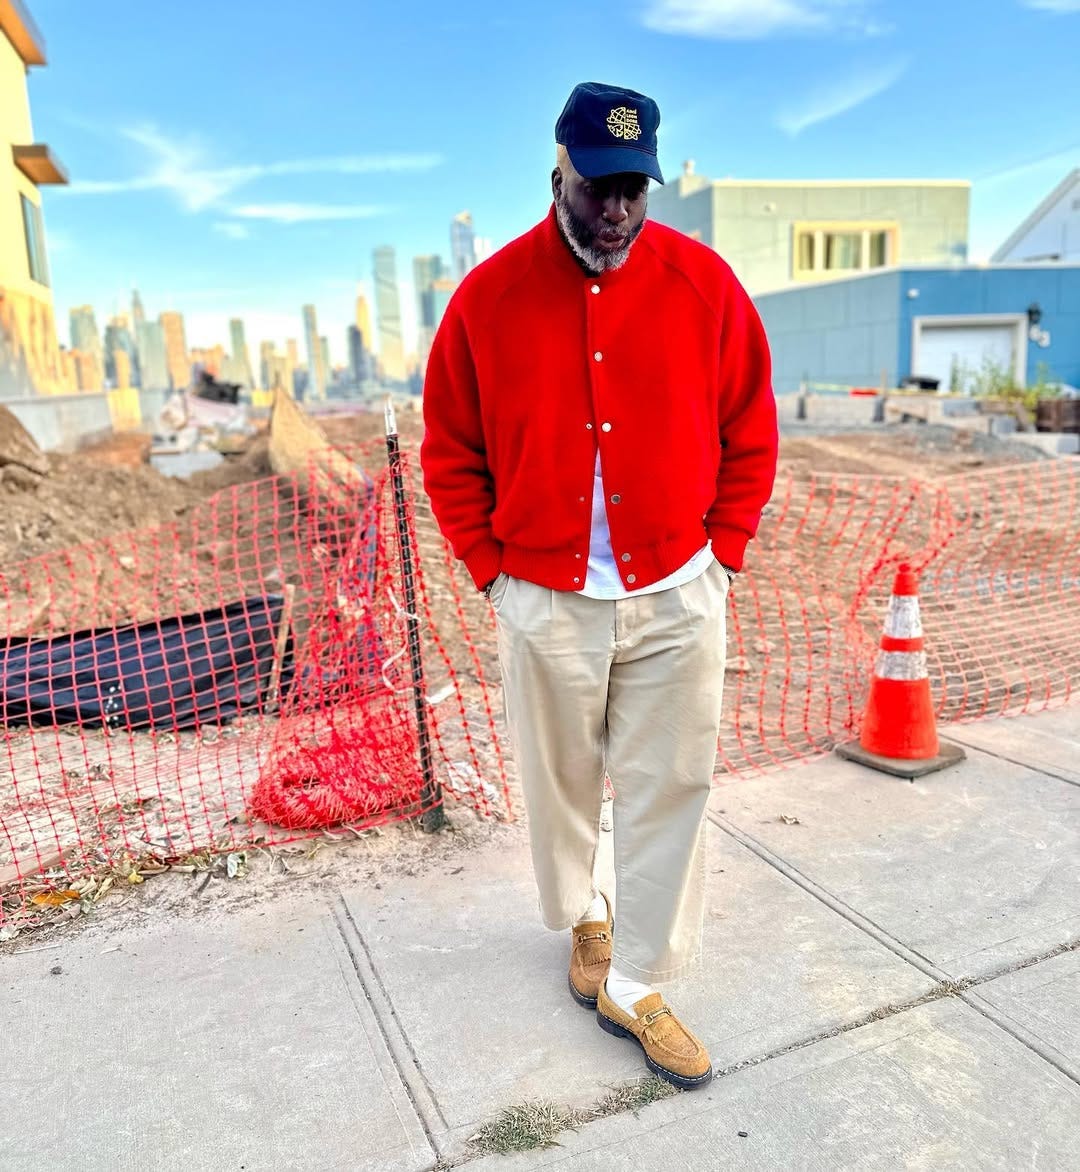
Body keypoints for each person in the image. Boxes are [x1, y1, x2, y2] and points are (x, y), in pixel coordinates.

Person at [421, 81, 778, 1089]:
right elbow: (449, 450)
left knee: (674, 785)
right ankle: (585, 915)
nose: (615, 208)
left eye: (632, 186)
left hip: (678, 587)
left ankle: (639, 979)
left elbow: (751, 426)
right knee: (561, 781)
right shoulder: (485, 299)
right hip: (543, 593)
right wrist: (493, 574)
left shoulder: (705, 285)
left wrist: (726, 551)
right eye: (596, 185)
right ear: (557, 175)